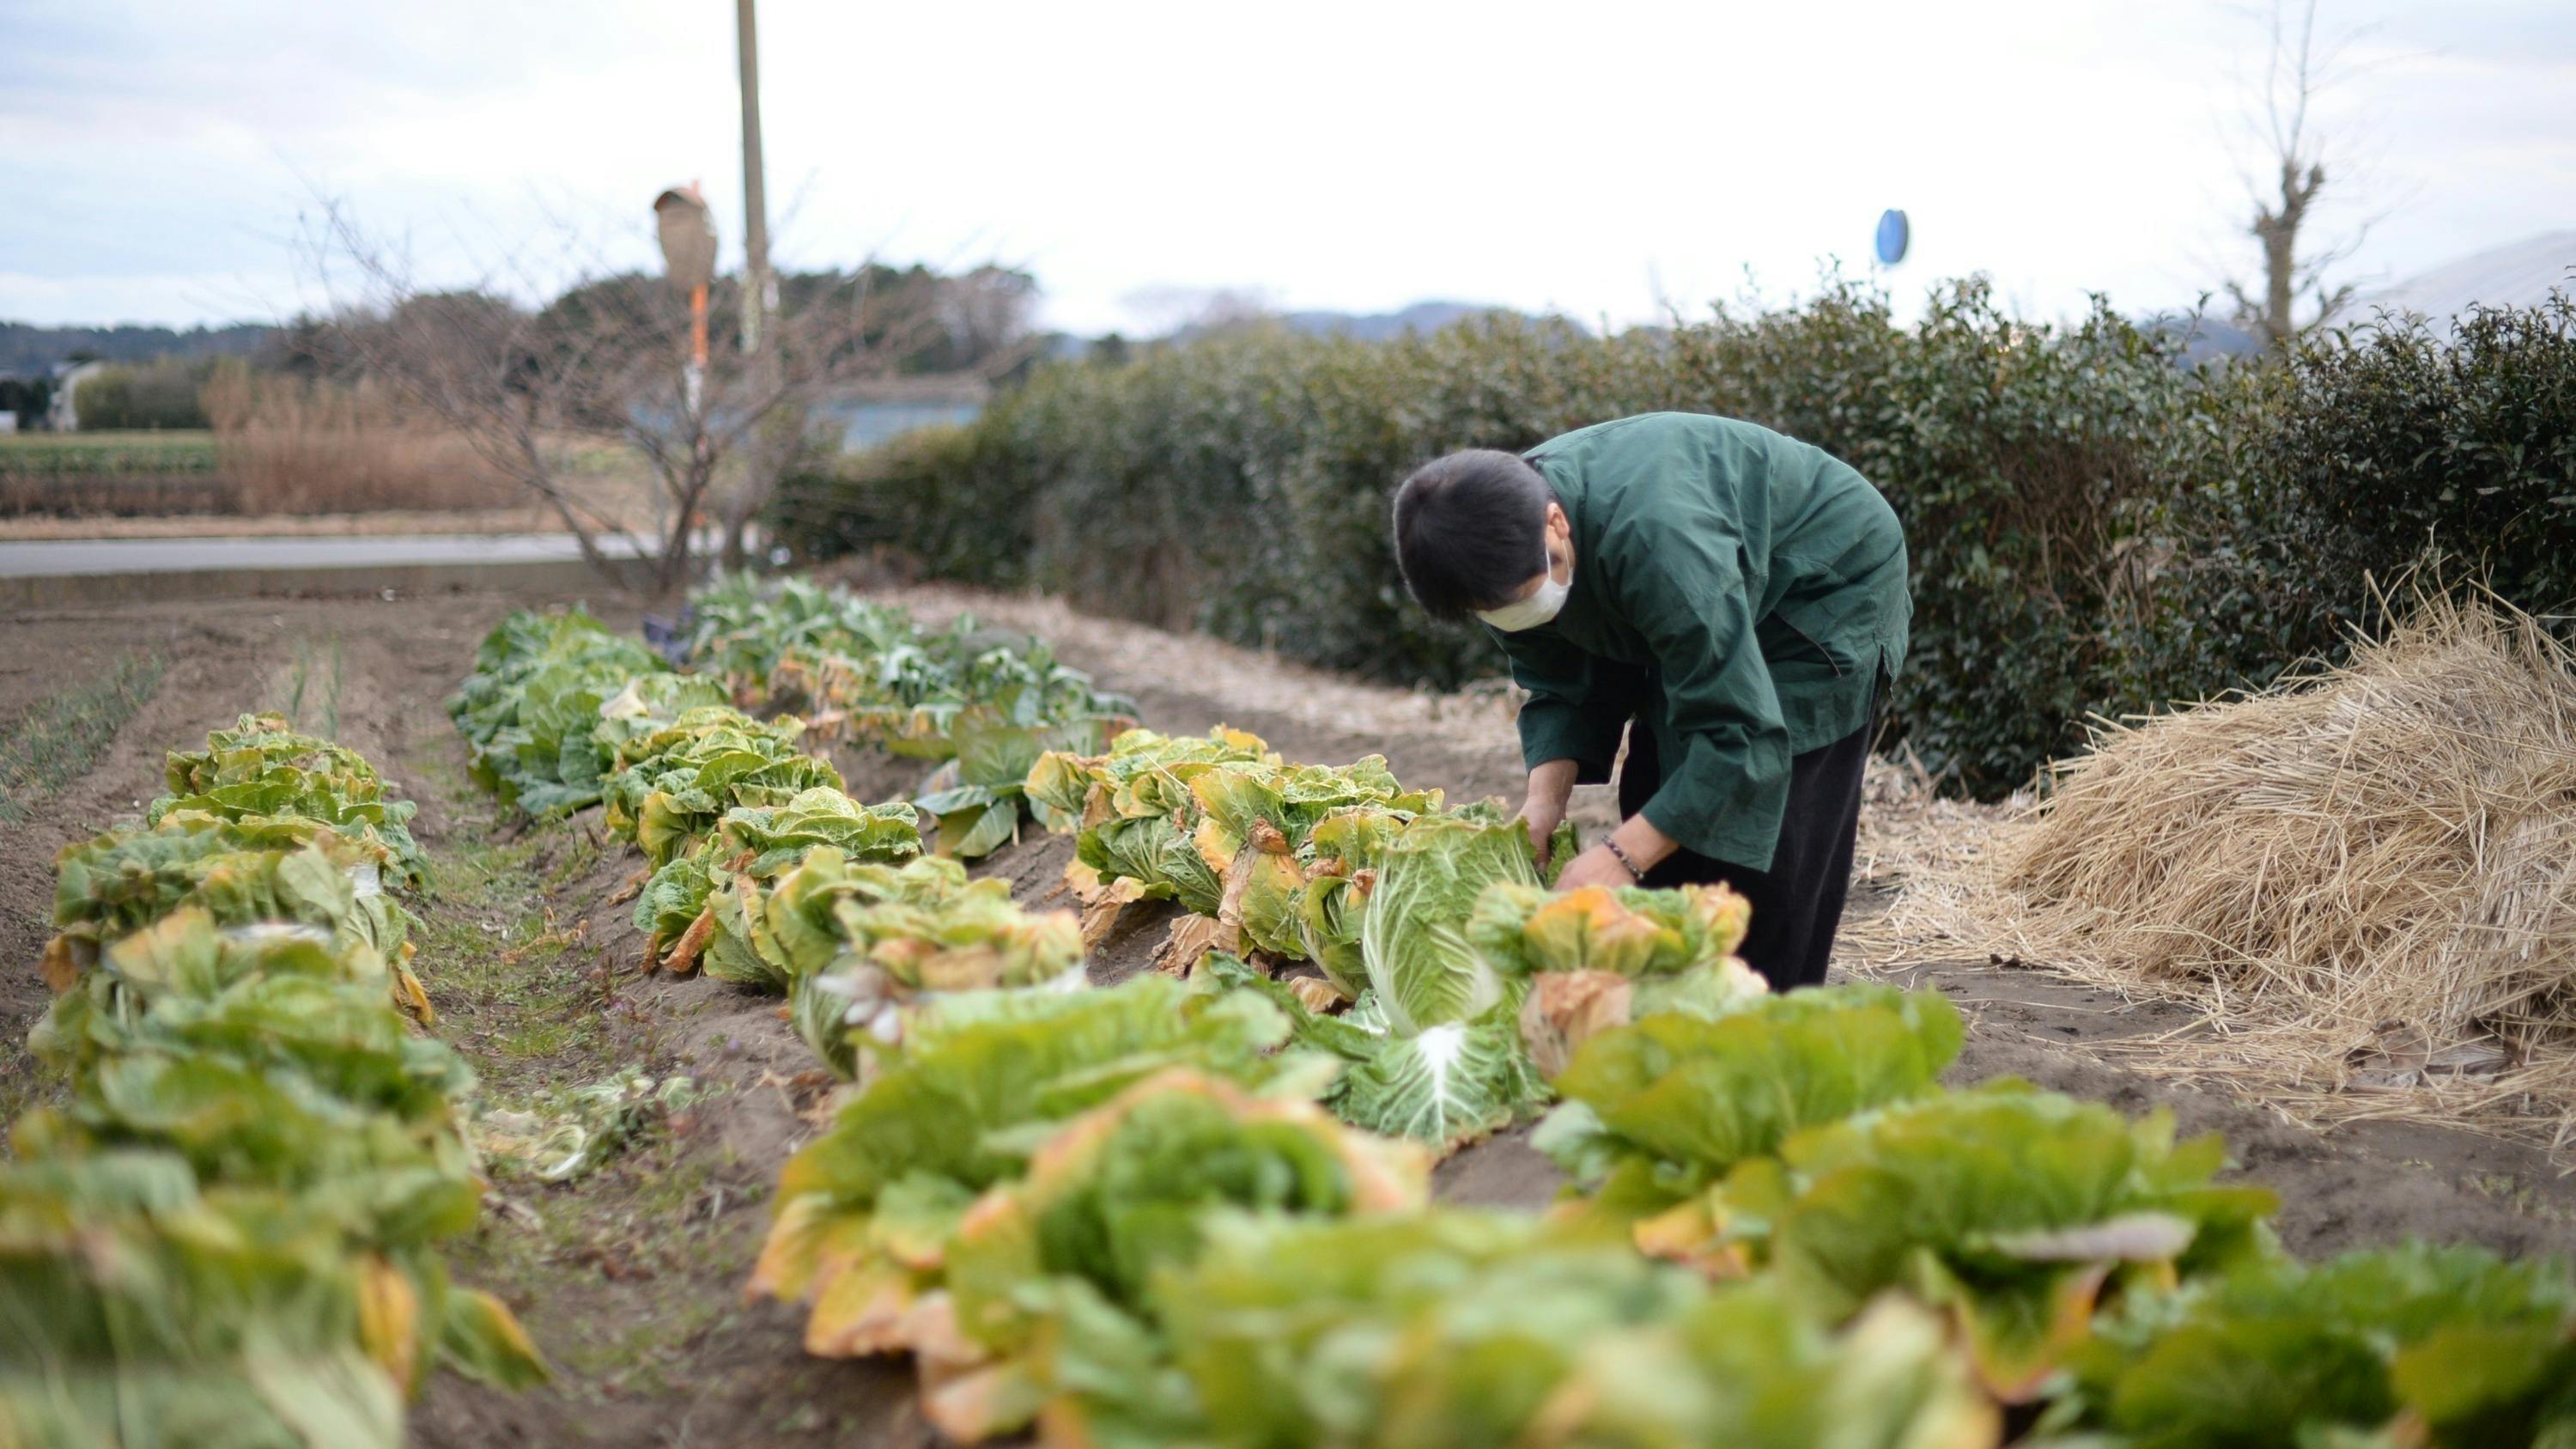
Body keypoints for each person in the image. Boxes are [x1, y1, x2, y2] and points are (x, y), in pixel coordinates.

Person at [1390, 411, 1910, 990]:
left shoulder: (1661, 540)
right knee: (1659, 783)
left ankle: (1766, 1012)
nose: (1522, 615)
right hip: (1700, 583)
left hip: (1822, 586)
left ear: (1556, 522)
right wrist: (1541, 806)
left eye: (1534, 589)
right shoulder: (1490, 552)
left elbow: (1741, 732)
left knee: (1763, 831)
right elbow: (1559, 677)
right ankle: (1671, 1005)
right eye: (1499, 612)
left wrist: (1620, 857)